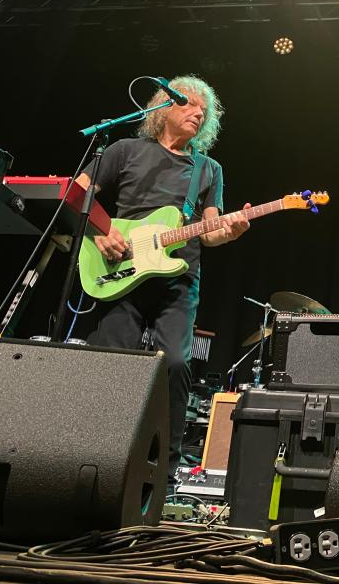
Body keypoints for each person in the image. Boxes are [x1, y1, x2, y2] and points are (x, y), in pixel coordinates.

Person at [75, 75, 250, 483]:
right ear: (162, 107)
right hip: (119, 271)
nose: (197, 113)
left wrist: (230, 229)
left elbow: (210, 231)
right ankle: (96, 456)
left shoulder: (207, 169)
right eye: (188, 104)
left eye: (203, 111)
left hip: (179, 279)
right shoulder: (124, 150)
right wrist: (102, 232)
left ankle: (164, 472)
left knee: (174, 363)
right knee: (112, 362)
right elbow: (77, 192)